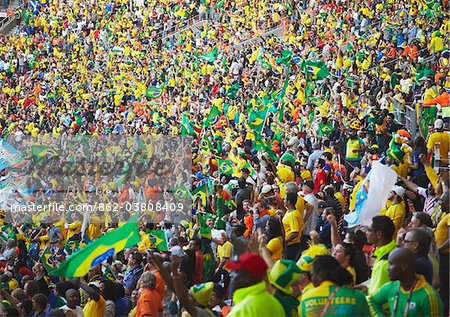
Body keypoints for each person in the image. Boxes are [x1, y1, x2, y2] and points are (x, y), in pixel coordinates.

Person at [369, 248, 443, 316]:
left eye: (391, 264)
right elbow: (371, 301)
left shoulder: (428, 296)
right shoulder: (391, 287)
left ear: (404, 266)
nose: (388, 268)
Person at [298, 255, 370, 316]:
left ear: (319, 275)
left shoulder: (306, 297)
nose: (312, 278)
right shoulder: (357, 296)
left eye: (312, 275)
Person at [225, 253, 285, 317]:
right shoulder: (276, 303)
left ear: (247, 278)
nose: (231, 275)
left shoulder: (241, 311)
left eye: (236, 272)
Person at [356, 216, 396, 297]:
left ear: (378, 234)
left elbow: (375, 298)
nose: (366, 233)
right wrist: (368, 287)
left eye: (369, 230)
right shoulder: (393, 250)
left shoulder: (383, 264)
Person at [283, 193, 303, 261]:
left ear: (288, 201)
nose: (283, 200)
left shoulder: (292, 215)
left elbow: (295, 233)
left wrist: (284, 241)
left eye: (285, 199)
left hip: (292, 246)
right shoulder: (290, 211)